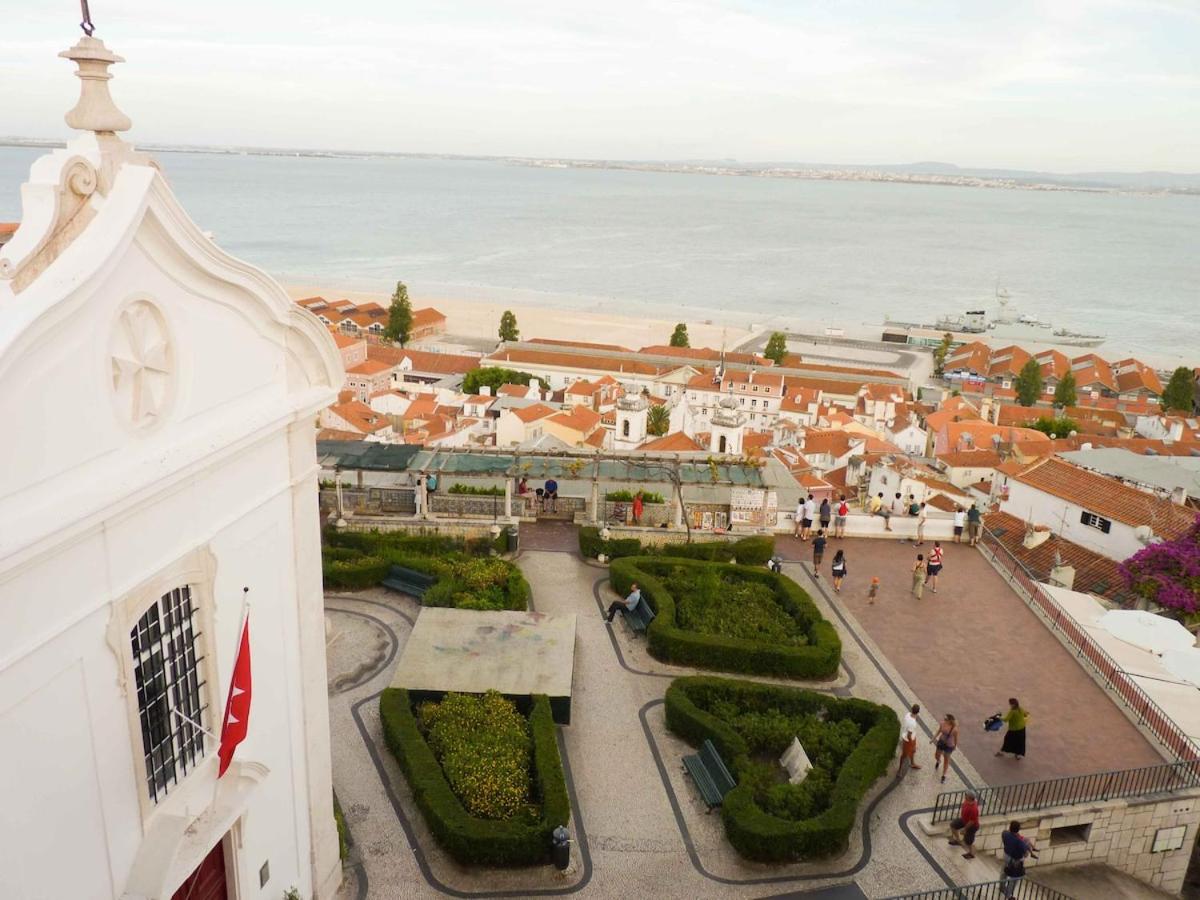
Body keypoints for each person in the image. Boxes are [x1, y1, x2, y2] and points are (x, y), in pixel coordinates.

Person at [1000, 821, 1038, 898]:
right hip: (1016, 861)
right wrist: (1027, 849)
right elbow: (1025, 854)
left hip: (1006, 855)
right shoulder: (1019, 842)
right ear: (1018, 829)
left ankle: (1001, 887)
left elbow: (1005, 834)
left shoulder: (1005, 834)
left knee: (1004, 872)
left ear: (1010, 827)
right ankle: (1008, 895)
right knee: (1014, 879)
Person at [948, 792, 980, 859]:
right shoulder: (967, 801)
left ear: (970, 798)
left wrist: (964, 829)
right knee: (953, 825)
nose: (965, 796)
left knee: (968, 841)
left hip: (972, 826)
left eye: (966, 795)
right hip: (964, 820)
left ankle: (971, 853)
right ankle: (958, 841)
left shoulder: (974, 809)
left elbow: (972, 821)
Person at [931, 713, 959, 783]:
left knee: (946, 759)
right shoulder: (942, 724)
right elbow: (939, 731)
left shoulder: (954, 729)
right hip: (941, 742)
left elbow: (956, 738)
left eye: (946, 719)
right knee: (936, 755)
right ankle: (938, 761)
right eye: (944, 718)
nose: (944, 720)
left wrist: (955, 746)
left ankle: (944, 775)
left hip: (949, 746)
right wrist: (933, 738)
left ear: (950, 720)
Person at [897, 703, 922, 776]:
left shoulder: (908, 714)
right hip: (908, 740)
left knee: (913, 751)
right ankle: (899, 771)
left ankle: (912, 763)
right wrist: (912, 744)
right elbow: (909, 735)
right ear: (918, 712)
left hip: (912, 738)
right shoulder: (913, 723)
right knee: (904, 756)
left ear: (911, 709)